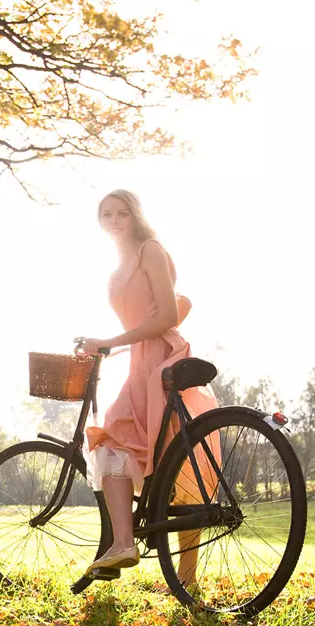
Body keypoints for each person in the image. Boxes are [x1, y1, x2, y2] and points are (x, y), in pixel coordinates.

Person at [78, 189, 217, 586]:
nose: (115, 219)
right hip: (142, 361)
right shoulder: (116, 268)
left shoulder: (149, 250)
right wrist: (112, 346)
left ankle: (132, 546)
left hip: (162, 362)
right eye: (107, 214)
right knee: (150, 459)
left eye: (122, 212)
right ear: (99, 220)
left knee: (128, 446)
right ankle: (141, 552)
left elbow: (171, 312)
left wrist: (112, 341)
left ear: (135, 215)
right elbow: (159, 310)